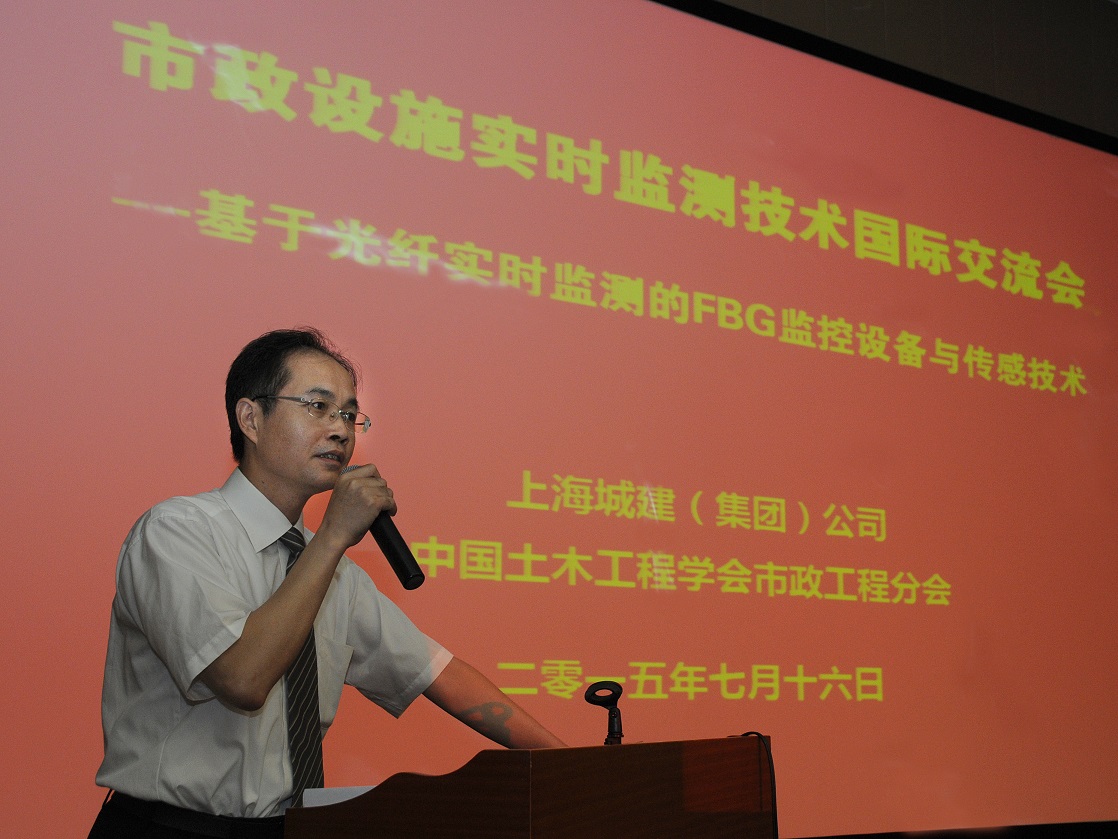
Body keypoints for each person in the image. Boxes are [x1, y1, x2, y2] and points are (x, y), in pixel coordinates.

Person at [89, 327, 565, 838]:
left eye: (349, 414)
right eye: (317, 407)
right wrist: (334, 536)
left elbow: (440, 676)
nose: (340, 430)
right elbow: (243, 679)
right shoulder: (177, 531)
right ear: (251, 418)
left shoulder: (329, 569)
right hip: (170, 829)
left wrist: (574, 767)